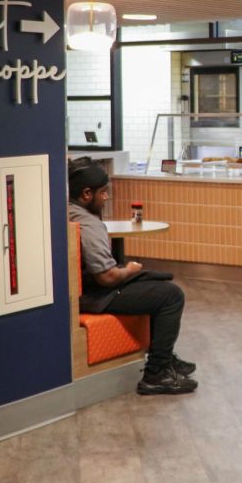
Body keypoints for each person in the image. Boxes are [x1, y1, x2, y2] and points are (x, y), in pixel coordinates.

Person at [68, 158, 197, 395]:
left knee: (155, 281)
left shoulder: (69, 212)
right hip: (96, 295)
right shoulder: (87, 224)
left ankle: (164, 356)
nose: (106, 198)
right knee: (171, 295)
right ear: (87, 194)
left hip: (88, 289)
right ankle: (156, 374)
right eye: (103, 193)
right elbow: (107, 277)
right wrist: (129, 270)